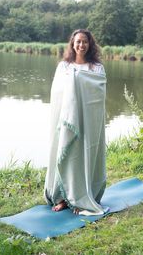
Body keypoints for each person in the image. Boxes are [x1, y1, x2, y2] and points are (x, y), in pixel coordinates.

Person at [44, 29, 107, 215]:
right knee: (66, 155)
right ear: (72, 44)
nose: (81, 45)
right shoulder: (64, 66)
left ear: (90, 44)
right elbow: (56, 94)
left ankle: (81, 197)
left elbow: (98, 97)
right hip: (67, 121)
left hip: (87, 122)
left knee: (82, 158)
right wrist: (74, 81)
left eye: (85, 42)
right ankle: (63, 198)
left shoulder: (96, 68)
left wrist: (78, 81)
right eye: (78, 41)